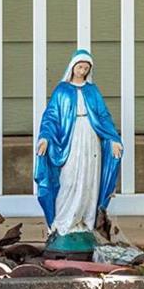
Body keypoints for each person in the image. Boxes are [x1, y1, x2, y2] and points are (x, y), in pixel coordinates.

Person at [35, 49, 123, 245]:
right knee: (70, 177)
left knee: (89, 179)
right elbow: (51, 117)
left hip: (91, 138)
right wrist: (45, 138)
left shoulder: (92, 91)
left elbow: (103, 116)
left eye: (86, 68)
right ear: (72, 67)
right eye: (79, 66)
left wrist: (114, 139)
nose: (82, 71)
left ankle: (85, 221)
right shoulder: (62, 90)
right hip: (71, 139)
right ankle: (63, 222)